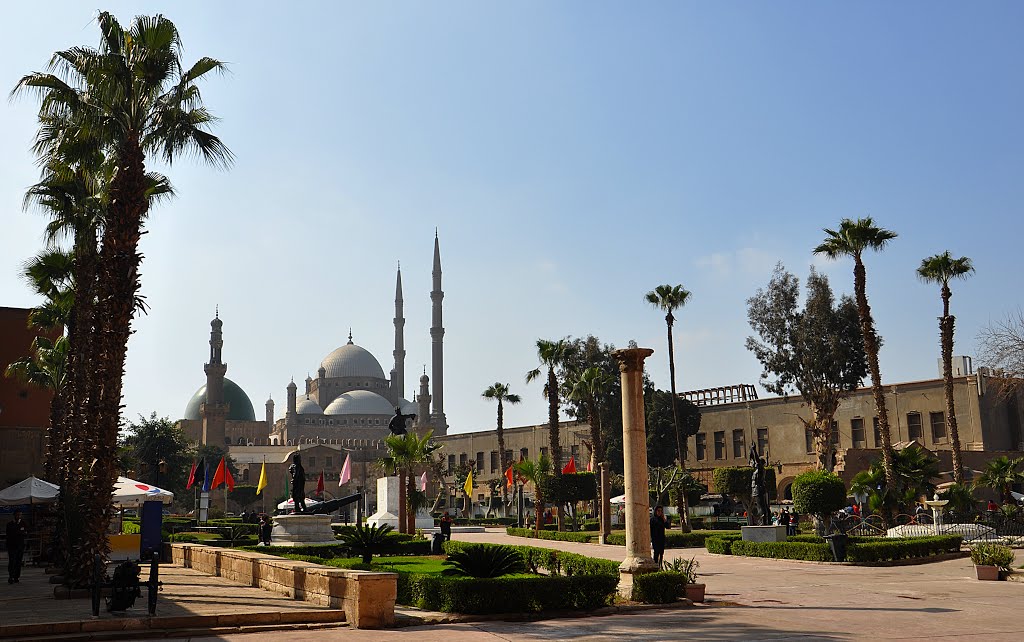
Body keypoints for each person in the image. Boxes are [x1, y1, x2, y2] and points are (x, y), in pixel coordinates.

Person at [6, 510, 27, 584]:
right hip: (12, 546)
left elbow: (25, 532)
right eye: (17, 515)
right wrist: (20, 532)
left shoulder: (23, 523)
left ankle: (16, 577)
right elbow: (9, 534)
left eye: (20, 515)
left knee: (18, 561)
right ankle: (11, 576)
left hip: (20, 546)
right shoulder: (10, 524)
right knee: (12, 561)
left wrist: (20, 533)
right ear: (14, 515)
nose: (19, 516)